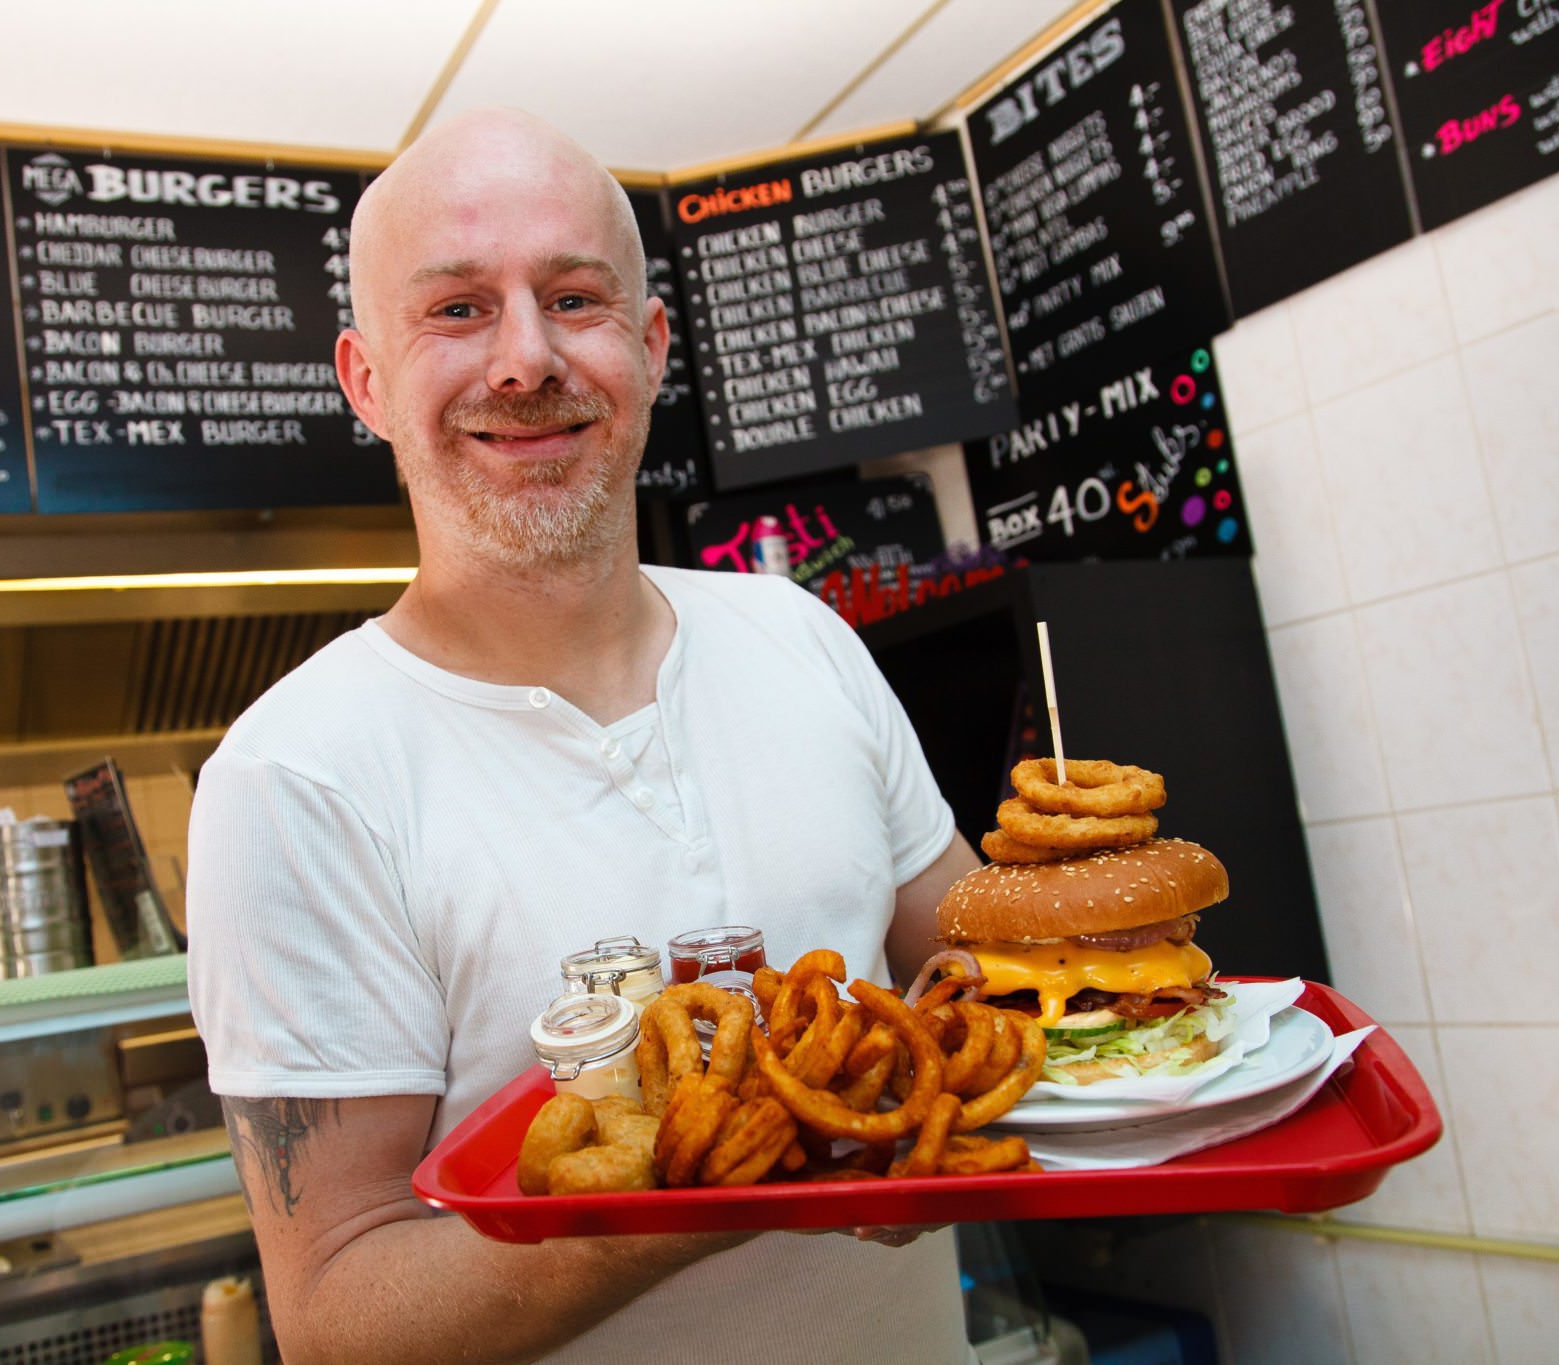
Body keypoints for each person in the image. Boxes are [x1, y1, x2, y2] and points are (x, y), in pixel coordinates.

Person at [186, 108, 982, 1362]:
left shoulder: (798, 634)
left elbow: (975, 985)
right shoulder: (296, 780)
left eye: (572, 299)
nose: (523, 360)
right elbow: (341, 1312)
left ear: (652, 345)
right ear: (365, 381)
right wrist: (733, 1171)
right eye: (455, 310)